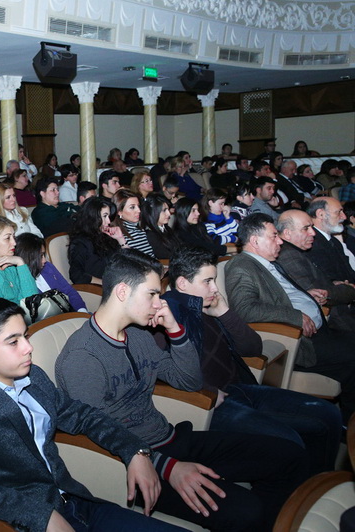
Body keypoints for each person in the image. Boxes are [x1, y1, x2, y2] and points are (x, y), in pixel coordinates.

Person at [55, 248, 309, 531]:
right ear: (123, 292)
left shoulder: (139, 335)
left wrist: (175, 330)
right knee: (247, 511)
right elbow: (99, 432)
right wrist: (169, 467)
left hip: (171, 439)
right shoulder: (81, 357)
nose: (159, 302)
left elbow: (188, 381)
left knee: (289, 456)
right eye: (152, 294)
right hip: (134, 464)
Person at [0, 297, 182, 532]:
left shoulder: (33, 377)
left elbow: (84, 416)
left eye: (25, 336)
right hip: (29, 520)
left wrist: (134, 450)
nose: (28, 347)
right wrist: (40, 515)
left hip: (76, 502)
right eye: (13, 342)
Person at [164, 246, 341, 475]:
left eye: (214, 281)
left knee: (328, 414)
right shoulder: (167, 315)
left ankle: (318, 486)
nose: (215, 289)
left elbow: (252, 348)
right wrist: (206, 390)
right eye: (207, 281)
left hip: (242, 388)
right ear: (182, 284)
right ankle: (296, 498)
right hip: (211, 402)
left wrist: (224, 312)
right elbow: (163, 369)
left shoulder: (209, 306)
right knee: (289, 440)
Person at [225, 213, 355, 419]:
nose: (279, 241)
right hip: (300, 343)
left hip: (321, 331)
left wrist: (306, 296)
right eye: (274, 236)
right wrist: (294, 316)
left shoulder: (269, 262)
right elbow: (244, 308)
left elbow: (280, 294)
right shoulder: (242, 266)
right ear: (255, 241)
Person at [277, 209, 355, 332]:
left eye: (312, 227)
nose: (313, 233)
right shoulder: (289, 256)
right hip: (333, 322)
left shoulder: (296, 250)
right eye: (306, 228)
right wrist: (349, 289)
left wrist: (333, 284)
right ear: (287, 233)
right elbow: (319, 297)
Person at [14, 233, 87, 313]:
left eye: (43, 255)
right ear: (29, 258)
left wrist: (82, 311)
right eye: (40, 256)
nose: (44, 260)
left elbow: (69, 291)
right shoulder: (20, 280)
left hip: (70, 315)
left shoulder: (47, 267)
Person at [68, 197, 125, 284]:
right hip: (99, 289)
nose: (108, 221)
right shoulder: (81, 242)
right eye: (105, 216)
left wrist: (121, 239)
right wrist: (105, 284)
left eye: (108, 216)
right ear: (93, 217)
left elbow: (128, 262)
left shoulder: (106, 236)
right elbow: (76, 275)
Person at [307, 197, 355, 283]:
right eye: (338, 212)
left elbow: (350, 272)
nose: (344, 217)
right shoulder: (312, 243)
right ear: (321, 214)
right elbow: (331, 280)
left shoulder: (333, 240)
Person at [112, 190, 155, 257]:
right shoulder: (117, 236)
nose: (139, 210)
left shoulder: (140, 230)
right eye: (132, 207)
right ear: (119, 212)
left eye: (138, 206)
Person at [142, 194, 180, 260]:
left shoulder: (167, 229)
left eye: (168, 210)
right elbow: (164, 257)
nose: (168, 214)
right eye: (164, 210)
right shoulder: (150, 235)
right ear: (153, 212)